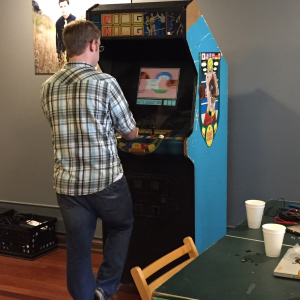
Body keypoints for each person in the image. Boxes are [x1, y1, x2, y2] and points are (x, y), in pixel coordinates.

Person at [41, 20, 139, 300]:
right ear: (93, 45)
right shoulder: (105, 82)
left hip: (68, 186)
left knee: (78, 248)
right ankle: (105, 288)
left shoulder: (48, 86)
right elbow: (129, 131)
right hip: (106, 183)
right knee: (121, 226)